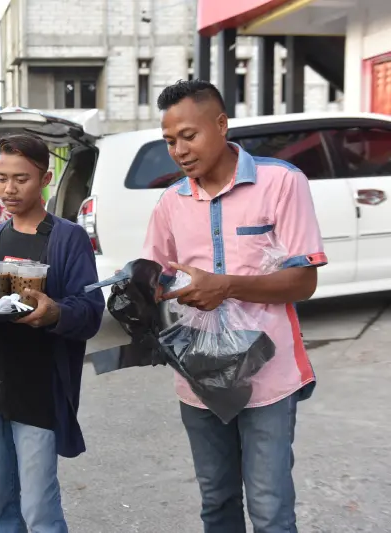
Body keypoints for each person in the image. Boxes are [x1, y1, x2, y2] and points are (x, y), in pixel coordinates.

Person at [144, 80, 326, 533]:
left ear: (222, 124)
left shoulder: (281, 182)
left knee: (270, 510)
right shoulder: (171, 202)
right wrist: (145, 289)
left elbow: (304, 281)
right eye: (169, 141)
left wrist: (225, 286)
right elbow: (154, 277)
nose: (179, 150)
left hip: (269, 377)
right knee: (217, 503)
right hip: (200, 377)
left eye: (189, 135)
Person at [0, 134, 104, 532]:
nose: (8, 189)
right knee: (1, 507)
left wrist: (55, 312)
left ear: (46, 177)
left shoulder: (67, 238)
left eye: (21, 178)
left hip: (38, 392)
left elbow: (90, 311)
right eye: (2, 178)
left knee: (40, 509)